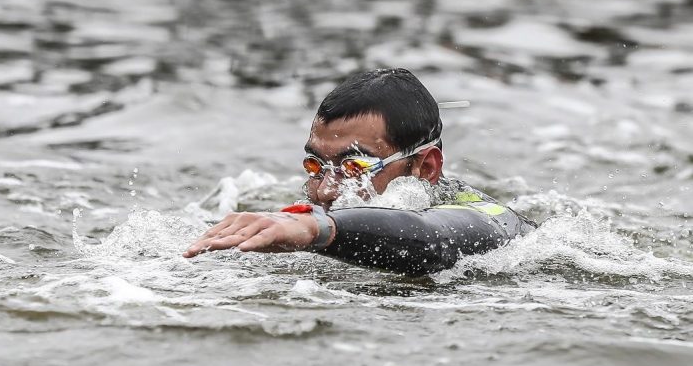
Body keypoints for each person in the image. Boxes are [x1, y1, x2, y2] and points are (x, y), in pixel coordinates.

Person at [184, 68, 534, 275]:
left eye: (355, 167)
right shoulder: (307, 210)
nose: (325, 191)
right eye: (315, 165)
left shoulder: (484, 219)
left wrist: (315, 228)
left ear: (425, 167)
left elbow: (431, 238)